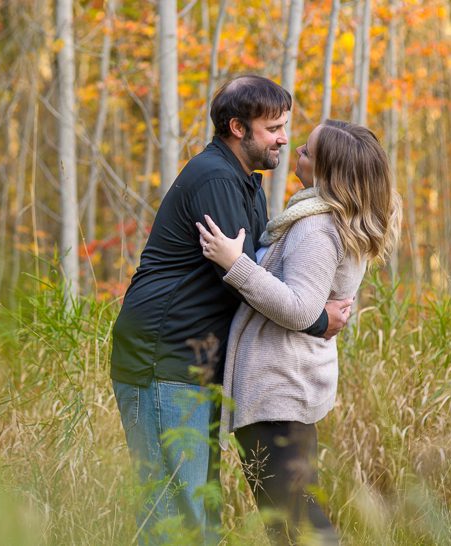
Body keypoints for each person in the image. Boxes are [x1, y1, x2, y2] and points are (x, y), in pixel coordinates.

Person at [110, 75, 353, 544]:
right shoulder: (217, 179)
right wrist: (318, 318)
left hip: (195, 362)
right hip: (164, 357)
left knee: (196, 511)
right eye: (274, 128)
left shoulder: (247, 183)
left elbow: (260, 270)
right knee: (175, 515)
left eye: (286, 126)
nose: (284, 137)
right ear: (238, 128)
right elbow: (250, 282)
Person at [196, 119, 402, 544]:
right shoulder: (330, 218)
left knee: (297, 524)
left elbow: (299, 308)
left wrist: (236, 263)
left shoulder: (317, 227)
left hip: (280, 389)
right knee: (294, 520)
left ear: (328, 172)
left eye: (307, 151)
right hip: (292, 385)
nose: (296, 151)